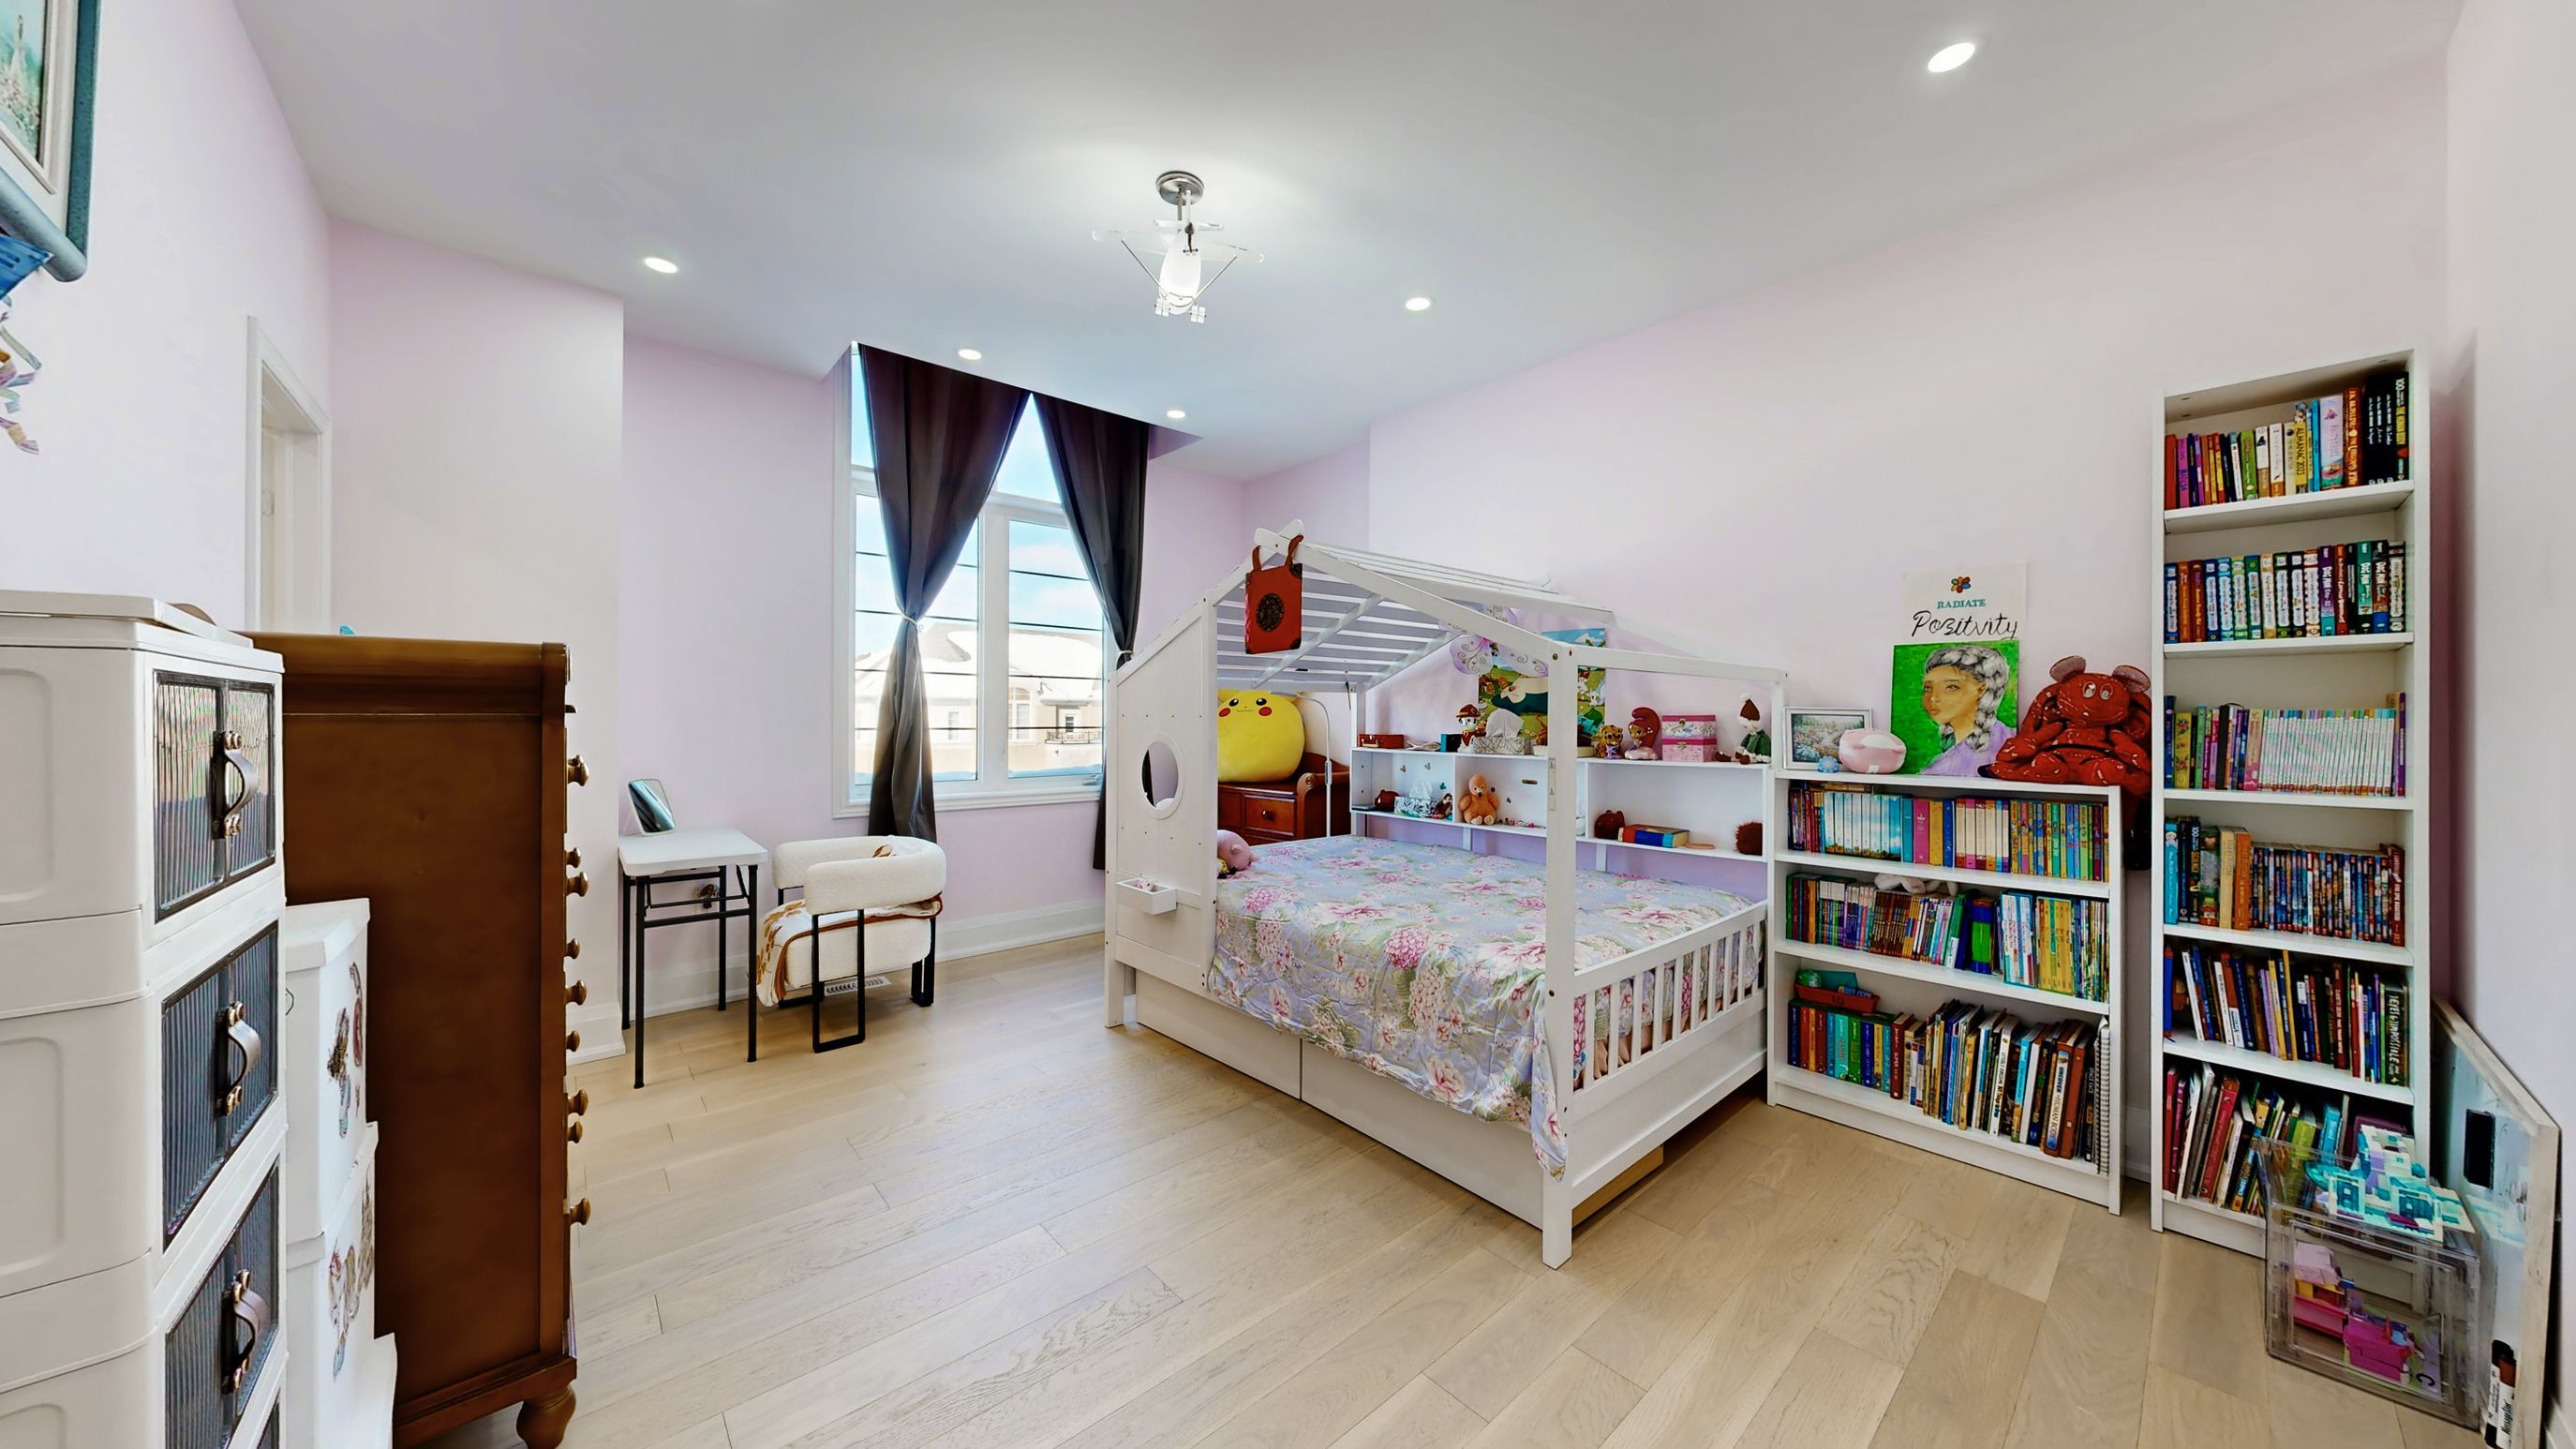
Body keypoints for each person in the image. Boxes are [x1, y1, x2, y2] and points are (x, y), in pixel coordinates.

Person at [1917, 644, 2015, 775]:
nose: (1933, 698)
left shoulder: (2007, 743)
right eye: (1928, 688)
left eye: (1951, 687)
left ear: (1982, 689)